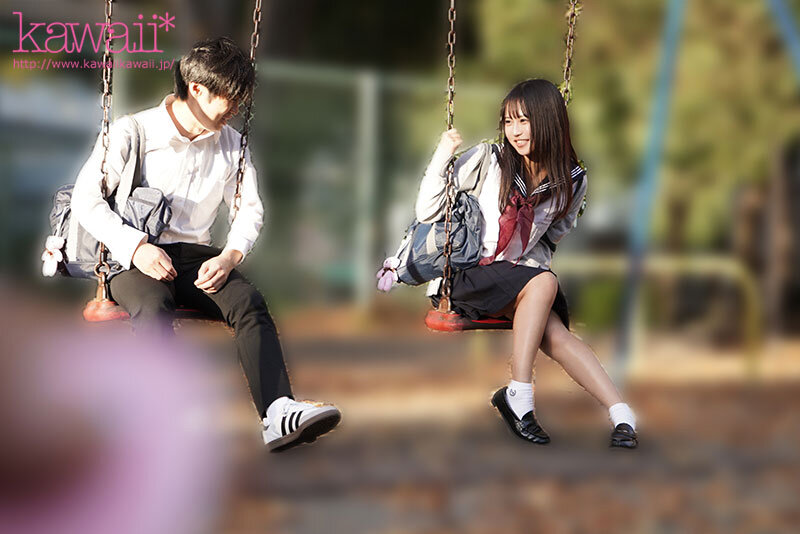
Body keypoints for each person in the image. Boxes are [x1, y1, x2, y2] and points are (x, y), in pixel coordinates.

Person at [71, 37, 341, 452]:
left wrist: (230, 256)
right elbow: (85, 200)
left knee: (249, 302)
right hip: (133, 256)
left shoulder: (232, 143)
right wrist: (137, 247)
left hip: (197, 257)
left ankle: (277, 413)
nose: (236, 108)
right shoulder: (133, 131)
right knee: (153, 305)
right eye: (230, 97)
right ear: (196, 89)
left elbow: (249, 209)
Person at [415, 79, 638, 448]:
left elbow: (555, 233)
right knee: (544, 282)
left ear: (549, 121)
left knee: (557, 335)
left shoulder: (572, 181)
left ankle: (622, 415)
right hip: (467, 276)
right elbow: (427, 210)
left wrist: (528, 266)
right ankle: (519, 393)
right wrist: (443, 152)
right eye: (508, 122)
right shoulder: (489, 160)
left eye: (524, 121)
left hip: (516, 280)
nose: (515, 132)